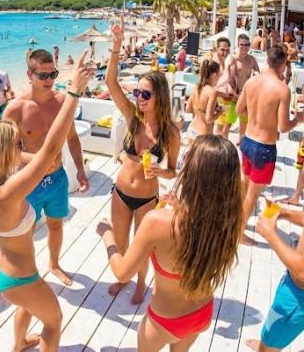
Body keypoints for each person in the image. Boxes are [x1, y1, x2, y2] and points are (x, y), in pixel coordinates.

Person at [0, 51, 96, 352]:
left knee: (27, 306)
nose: (20, 148)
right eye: (16, 145)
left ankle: (18, 346)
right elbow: (50, 148)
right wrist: (75, 92)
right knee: (53, 322)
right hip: (20, 279)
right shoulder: (9, 191)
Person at [98, 135, 243, 351]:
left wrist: (107, 234)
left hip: (164, 321)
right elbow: (198, 228)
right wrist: (180, 208)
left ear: (193, 174)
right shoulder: (231, 220)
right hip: (201, 313)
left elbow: (122, 273)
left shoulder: (158, 222)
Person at [105, 19, 181, 304]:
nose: (138, 98)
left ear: (159, 96)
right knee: (122, 243)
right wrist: (115, 47)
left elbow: (174, 171)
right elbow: (111, 84)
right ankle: (121, 277)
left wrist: (162, 171)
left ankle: (139, 284)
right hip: (121, 194)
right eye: (137, 93)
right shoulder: (132, 118)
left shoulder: (171, 133)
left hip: (148, 198)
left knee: (143, 246)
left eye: (145, 94)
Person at [3, 48, 90, 286]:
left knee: (55, 224)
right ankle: (26, 273)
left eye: (53, 74)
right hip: (29, 183)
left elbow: (72, 138)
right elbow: (6, 152)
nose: (50, 80)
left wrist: (80, 170)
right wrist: (38, 159)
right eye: (43, 76)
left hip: (57, 178)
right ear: (29, 75)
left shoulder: (63, 102)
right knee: (25, 231)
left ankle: (54, 265)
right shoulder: (15, 109)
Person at [236, 45, 303, 245]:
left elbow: (240, 110)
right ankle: (238, 232)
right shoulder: (282, 90)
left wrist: (257, 117)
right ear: (283, 65)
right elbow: (283, 127)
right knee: (252, 194)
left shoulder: (251, 82)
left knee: (243, 186)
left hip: (247, 140)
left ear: (267, 60)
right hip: (264, 147)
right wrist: (298, 120)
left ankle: (235, 223)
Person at [245, 193, 304, 350]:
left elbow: (302, 274)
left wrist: (270, 235)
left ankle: (267, 346)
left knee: (270, 343)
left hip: (297, 299)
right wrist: (283, 213)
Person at [232, 34, 261, 143]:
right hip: (235, 94)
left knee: (244, 120)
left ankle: (241, 139)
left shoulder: (252, 59)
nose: (244, 47)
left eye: (247, 45)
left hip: (248, 95)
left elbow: (259, 74)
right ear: (237, 45)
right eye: (242, 45)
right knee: (227, 122)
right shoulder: (233, 59)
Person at [184, 60, 220, 142]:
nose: (219, 77)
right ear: (214, 75)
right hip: (204, 134)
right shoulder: (212, 92)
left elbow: (188, 108)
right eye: (219, 74)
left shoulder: (196, 87)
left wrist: (200, 110)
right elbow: (208, 119)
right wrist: (218, 114)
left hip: (192, 129)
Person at [213, 37, 238, 139]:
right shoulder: (212, 64)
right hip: (216, 101)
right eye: (222, 49)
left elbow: (233, 82)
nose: (225, 52)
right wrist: (225, 95)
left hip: (229, 101)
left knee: (225, 130)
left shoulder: (229, 63)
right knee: (218, 131)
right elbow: (207, 87)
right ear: (216, 49)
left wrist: (233, 86)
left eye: (227, 50)